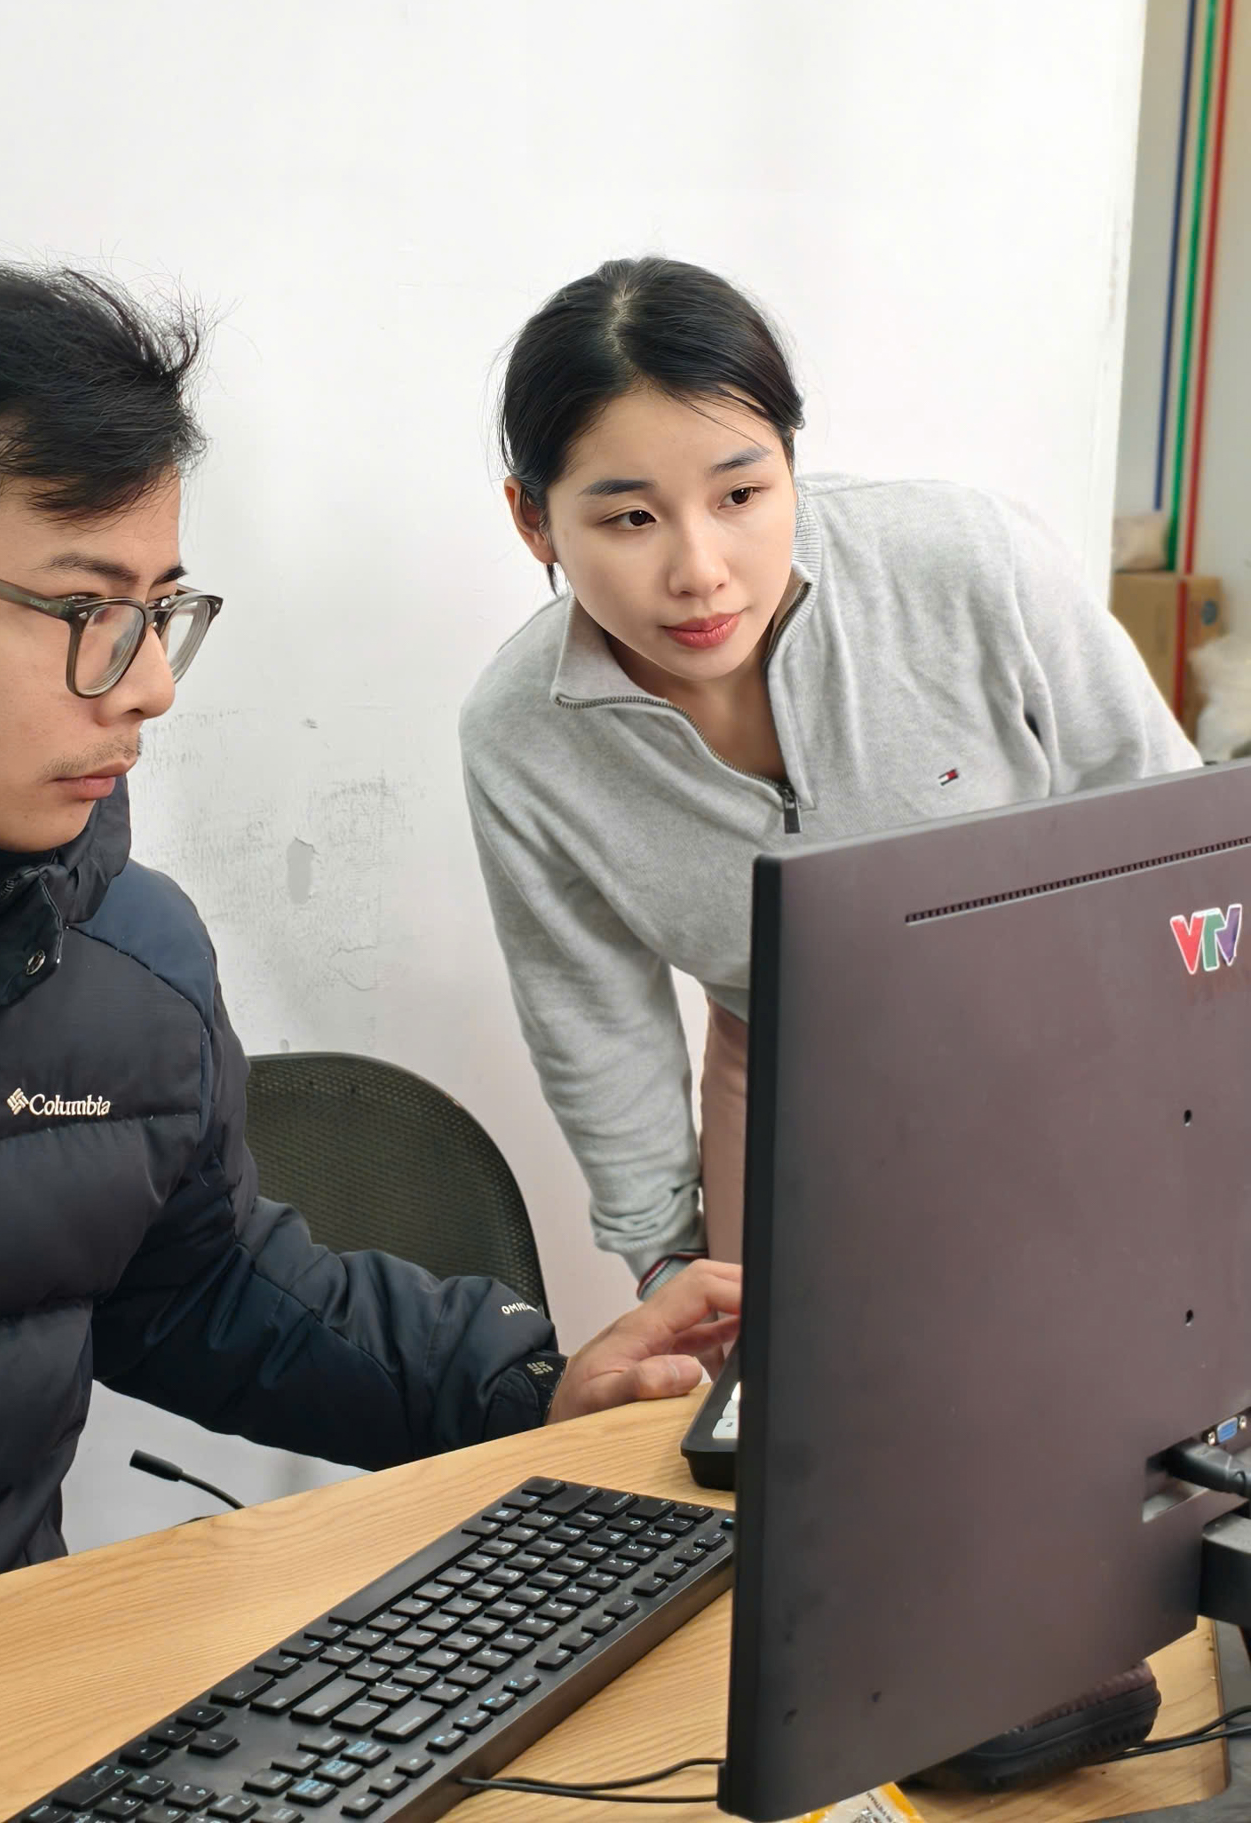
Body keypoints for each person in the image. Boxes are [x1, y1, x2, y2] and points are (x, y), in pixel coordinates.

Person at [0, 258, 741, 1781]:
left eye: (162, 609)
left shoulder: (123, 953)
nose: (153, 685)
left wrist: (523, 1389)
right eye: (83, 611)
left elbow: (204, 1288)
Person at [460, 256, 1197, 1290]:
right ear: (532, 518)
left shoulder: (970, 560)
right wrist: (665, 1260)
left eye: (741, 494)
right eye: (630, 517)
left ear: (790, 464)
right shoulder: (520, 738)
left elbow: (1176, 840)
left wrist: (1179, 1090)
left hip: (1068, 1049)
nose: (700, 570)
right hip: (784, 1090)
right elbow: (593, 1022)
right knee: (788, 1390)